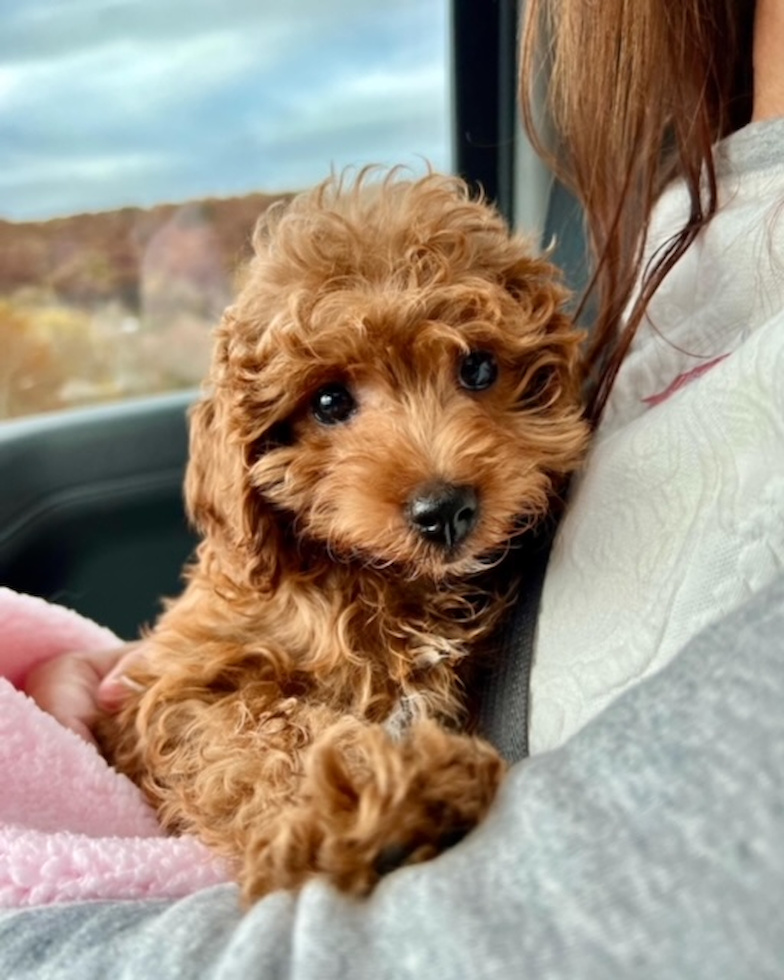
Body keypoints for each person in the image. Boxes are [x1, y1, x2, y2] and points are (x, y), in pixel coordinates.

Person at [2, 0, 783, 976]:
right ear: (245, 454)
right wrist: (315, 790)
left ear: (543, 365)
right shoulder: (273, 594)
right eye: (333, 400)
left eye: (477, 371)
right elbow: (182, 708)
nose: (436, 467)